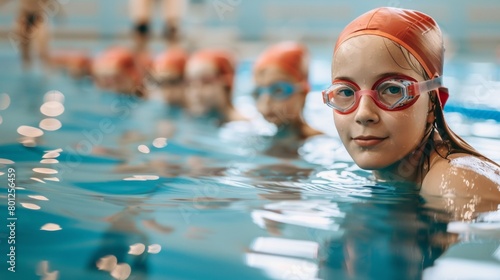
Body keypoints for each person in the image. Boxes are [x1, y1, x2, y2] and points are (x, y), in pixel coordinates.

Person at [323, 7, 500, 198]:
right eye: (346, 92)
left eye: (392, 89)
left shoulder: (456, 183)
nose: (364, 114)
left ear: (434, 101)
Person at [253, 41, 322, 140]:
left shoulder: (317, 140)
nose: (266, 102)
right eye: (259, 92)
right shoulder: (260, 133)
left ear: (302, 94)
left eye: (278, 90)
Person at [184, 49, 247, 124]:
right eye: (190, 84)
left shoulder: (242, 124)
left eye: (206, 82)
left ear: (225, 82)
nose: (196, 92)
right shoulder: (190, 119)